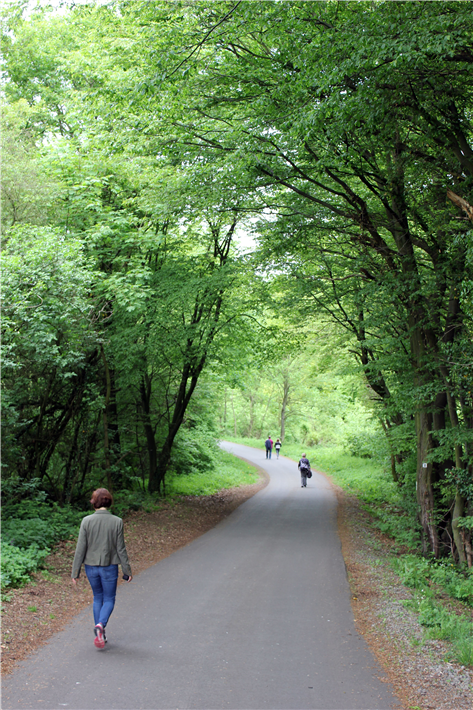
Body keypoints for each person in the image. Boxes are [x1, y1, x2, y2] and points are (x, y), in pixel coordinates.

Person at [71, 488, 132, 649]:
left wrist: (75, 572)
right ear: (109, 501)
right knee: (109, 599)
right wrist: (127, 570)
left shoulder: (86, 521)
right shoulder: (117, 521)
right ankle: (100, 626)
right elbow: (121, 549)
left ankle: (100, 633)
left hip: (90, 567)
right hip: (109, 566)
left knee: (98, 598)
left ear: (94, 502)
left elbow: (80, 548)